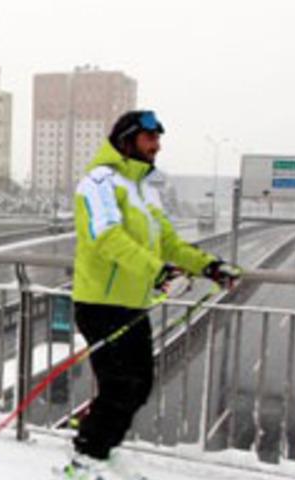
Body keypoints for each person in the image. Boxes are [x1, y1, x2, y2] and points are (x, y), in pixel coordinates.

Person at [65, 111, 241, 479]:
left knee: (140, 385)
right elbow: (106, 237)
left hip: (132, 304)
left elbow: (169, 243)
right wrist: (158, 273)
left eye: (158, 139)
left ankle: (100, 450)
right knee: (119, 386)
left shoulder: (144, 190)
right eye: (150, 138)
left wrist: (208, 266)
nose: (157, 146)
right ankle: (85, 459)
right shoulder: (98, 182)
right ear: (127, 139)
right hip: (100, 303)